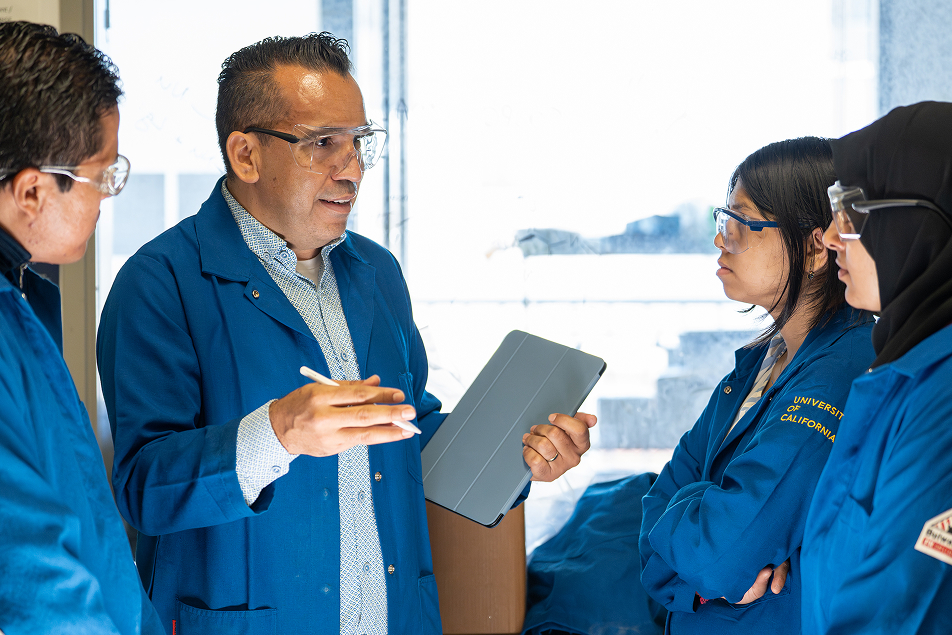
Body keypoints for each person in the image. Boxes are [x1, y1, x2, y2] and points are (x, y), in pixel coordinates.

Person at [96, 32, 594, 635]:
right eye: (322, 143)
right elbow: (145, 488)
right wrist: (276, 433)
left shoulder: (376, 272)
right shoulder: (161, 282)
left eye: (359, 142)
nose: (351, 168)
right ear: (245, 154)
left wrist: (517, 460)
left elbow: (409, 430)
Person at [637, 137, 875, 634]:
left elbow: (717, 554)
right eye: (723, 220)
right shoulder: (757, 366)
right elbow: (656, 527)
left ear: (815, 248)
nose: (722, 240)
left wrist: (698, 546)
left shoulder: (838, 376)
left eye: (742, 224)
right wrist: (698, 585)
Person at [0, 21, 163, 635]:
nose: (104, 199)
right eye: (102, 176)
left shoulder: (20, 300)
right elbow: (27, 577)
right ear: (33, 191)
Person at [802, 101, 952, 635]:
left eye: (855, 212)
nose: (830, 236)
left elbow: (902, 612)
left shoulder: (944, 397)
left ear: (921, 223)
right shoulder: (903, 364)